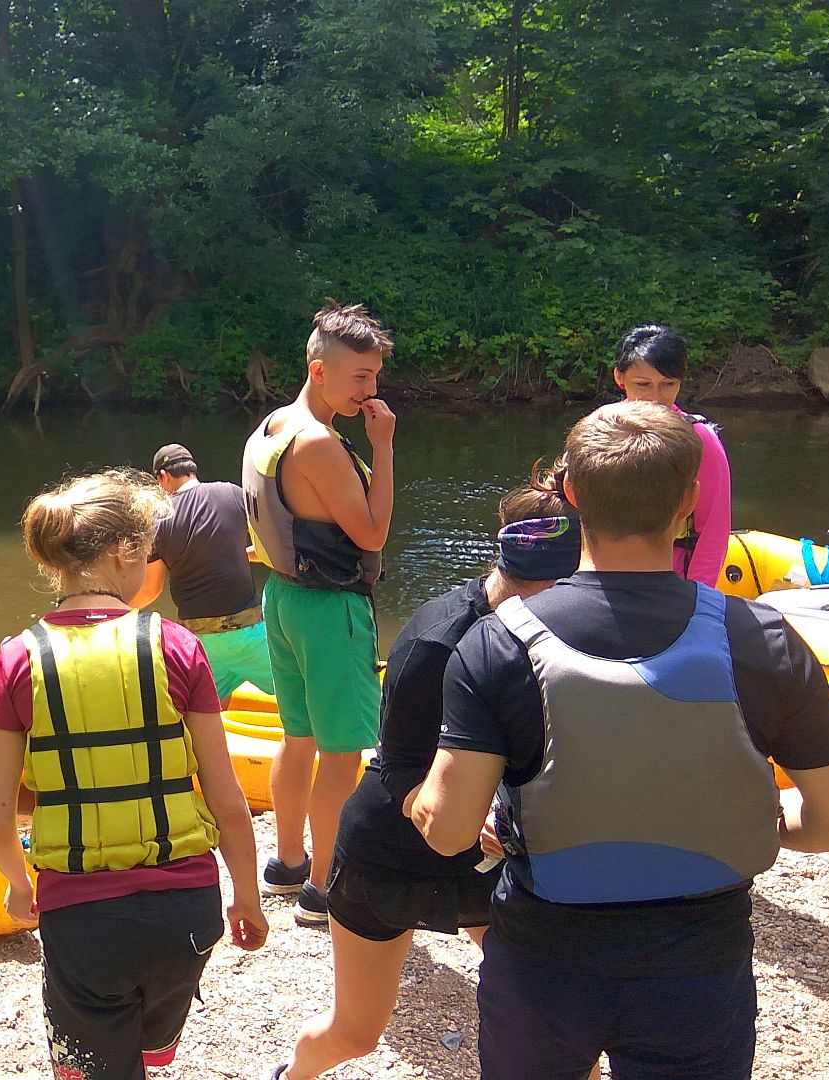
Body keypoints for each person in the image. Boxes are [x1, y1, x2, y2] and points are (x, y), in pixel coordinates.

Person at [407, 401, 829, 1080]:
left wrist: (425, 793)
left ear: (572, 495)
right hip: (699, 968)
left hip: (545, 964)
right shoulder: (764, 640)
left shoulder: (498, 641)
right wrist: (767, 821)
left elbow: (450, 832)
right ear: (688, 501)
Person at [273, 479, 581, 1080]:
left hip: (490, 854)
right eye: (559, 589)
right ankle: (293, 1074)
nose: (568, 607)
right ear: (520, 573)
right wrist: (463, 814)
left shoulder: (556, 633)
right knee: (355, 1034)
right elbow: (396, 770)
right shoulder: (438, 641)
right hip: (390, 850)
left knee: (554, 1013)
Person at [0, 469, 269, 1080]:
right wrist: (246, 894)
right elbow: (226, 799)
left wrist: (19, 886)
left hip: (83, 921)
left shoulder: (16, 660)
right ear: (123, 553)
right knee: (150, 1045)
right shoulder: (178, 646)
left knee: (96, 1063)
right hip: (187, 915)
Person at [241, 301, 396, 925]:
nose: (370, 390)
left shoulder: (273, 425)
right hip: (330, 610)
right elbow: (372, 534)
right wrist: (383, 448)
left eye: (375, 376)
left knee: (298, 736)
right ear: (319, 369)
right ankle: (324, 886)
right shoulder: (318, 444)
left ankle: (286, 862)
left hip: (282, 599)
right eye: (359, 376)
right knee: (342, 753)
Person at [130, 442, 274, 702]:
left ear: (163, 477)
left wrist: (120, 612)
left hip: (198, 642)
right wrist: (238, 555)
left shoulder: (157, 518)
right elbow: (270, 548)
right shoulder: (232, 494)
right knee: (299, 692)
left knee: (206, 707)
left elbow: (151, 589)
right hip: (247, 635)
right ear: (192, 469)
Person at [611, 325, 731, 587]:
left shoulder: (699, 440)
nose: (655, 398)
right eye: (643, 384)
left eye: (668, 384)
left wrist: (699, 596)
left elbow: (713, 530)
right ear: (620, 377)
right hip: (607, 575)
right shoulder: (601, 430)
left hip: (671, 578)